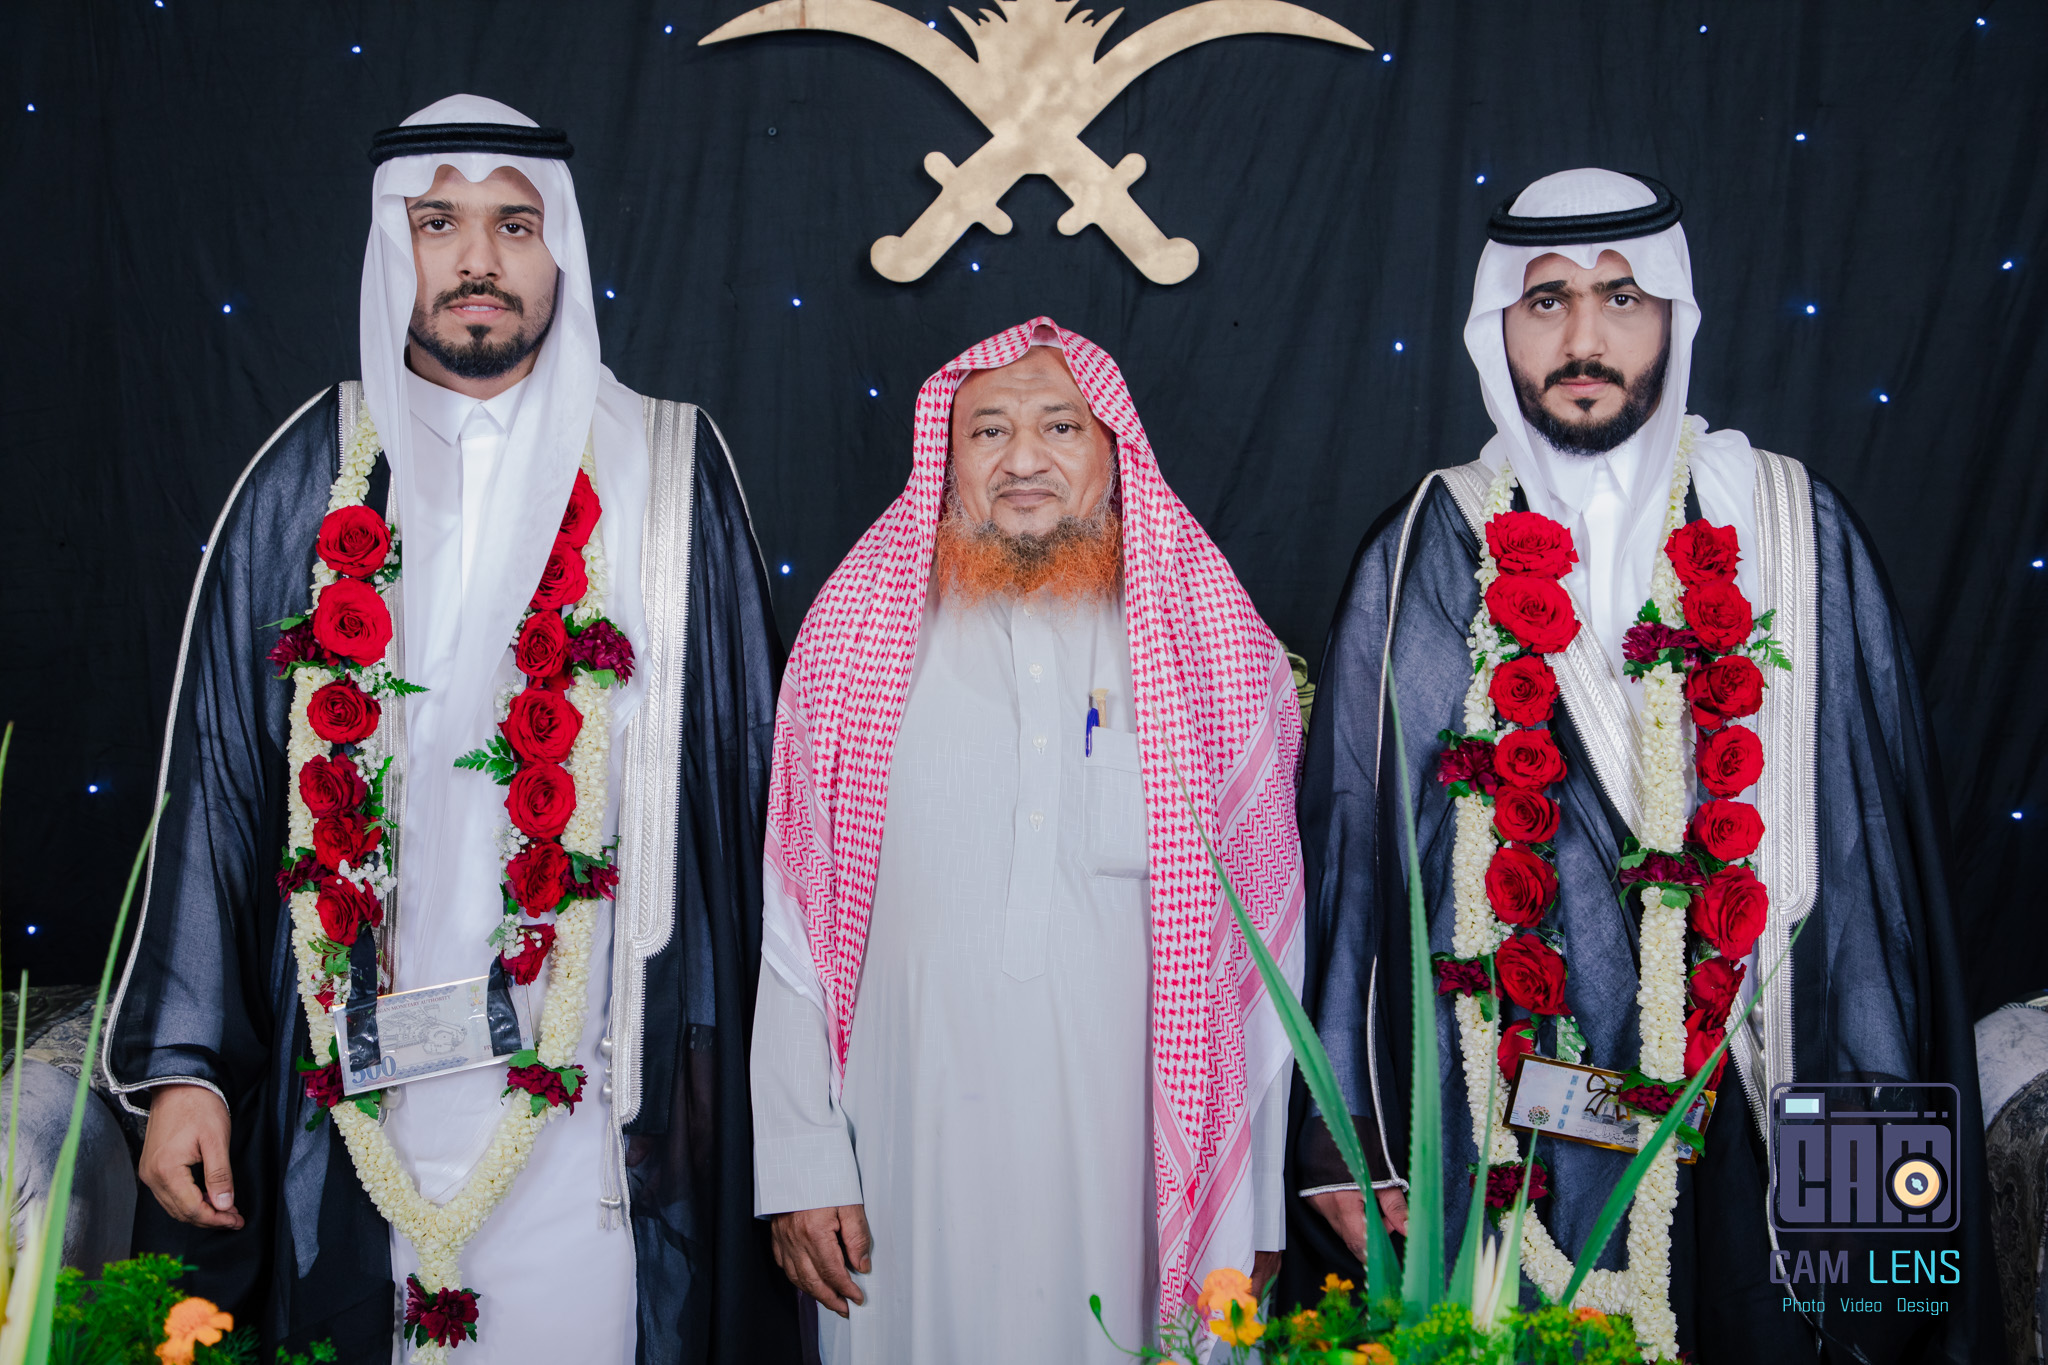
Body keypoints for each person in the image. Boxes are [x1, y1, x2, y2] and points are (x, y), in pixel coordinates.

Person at [102, 95, 795, 1363]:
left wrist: (776, 1114)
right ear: (394, 246)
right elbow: (219, 789)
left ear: (559, 248)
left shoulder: (666, 473)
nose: (478, 259)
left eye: (513, 226)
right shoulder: (305, 475)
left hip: (602, 1113)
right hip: (355, 1093)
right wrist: (187, 1068)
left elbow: (758, 804)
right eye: (439, 224)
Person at [1295, 168, 1998, 1362]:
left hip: (1782, 1098)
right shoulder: (1433, 544)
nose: (1583, 338)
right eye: (1546, 302)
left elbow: (1875, 870)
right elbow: (1358, 862)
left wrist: (1881, 1165)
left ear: (1672, 313)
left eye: (1620, 299)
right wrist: (1343, 1151)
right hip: (1532, 1129)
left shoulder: (1791, 527)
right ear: (1496, 325)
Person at [750, 319, 1302, 1362]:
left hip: (1134, 1161)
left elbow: (1263, 957)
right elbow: (793, 929)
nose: (1022, 460)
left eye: (1060, 426)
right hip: (905, 1151)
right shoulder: (855, 640)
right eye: (988, 430)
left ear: (1114, 453)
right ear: (945, 459)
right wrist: (799, 1159)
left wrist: (1255, 1200)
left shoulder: (1211, 651)